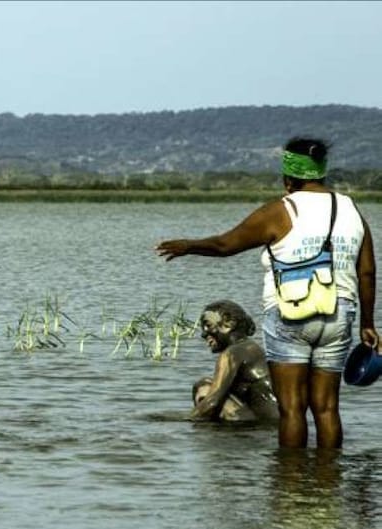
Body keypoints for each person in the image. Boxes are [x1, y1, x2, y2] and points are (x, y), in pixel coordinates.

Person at [157, 137, 379, 448]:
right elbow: (366, 272)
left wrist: (188, 246)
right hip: (339, 312)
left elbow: (225, 245)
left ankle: (291, 485)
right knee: (327, 408)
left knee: (292, 410)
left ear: (288, 178)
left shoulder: (280, 210)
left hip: (291, 313)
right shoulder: (350, 209)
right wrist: (367, 325)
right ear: (321, 173)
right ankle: (329, 482)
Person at [190, 300, 278, 423]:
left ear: (228, 324)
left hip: (265, 425)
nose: (204, 334)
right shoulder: (252, 348)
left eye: (208, 325)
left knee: (203, 386)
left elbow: (212, 402)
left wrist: (180, 421)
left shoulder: (231, 354)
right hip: (274, 423)